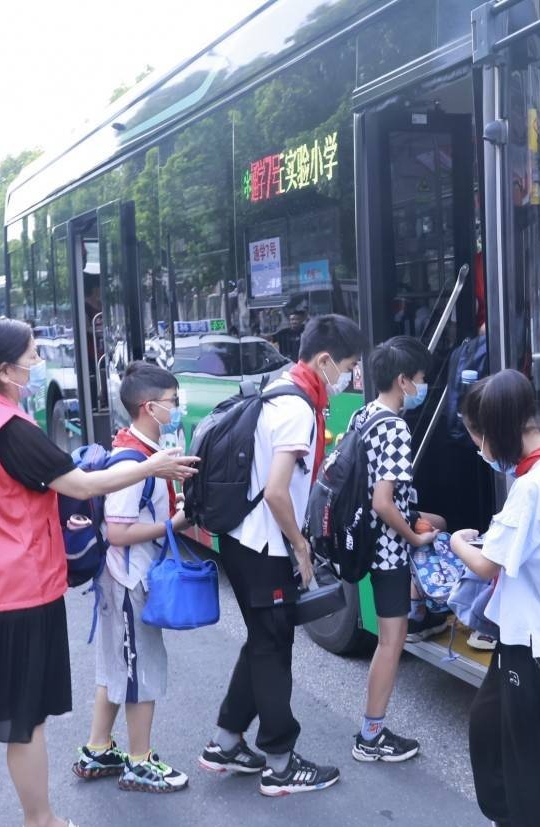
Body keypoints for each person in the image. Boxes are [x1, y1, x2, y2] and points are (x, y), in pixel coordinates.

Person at [0, 318, 198, 827]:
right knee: (25, 721)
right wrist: (151, 467)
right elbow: (82, 485)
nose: (38, 364)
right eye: (32, 356)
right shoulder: (7, 427)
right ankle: (42, 821)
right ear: (5, 370)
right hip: (22, 589)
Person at [199, 313, 365, 796]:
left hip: (244, 539)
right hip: (263, 545)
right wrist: (300, 545)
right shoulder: (296, 407)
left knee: (263, 641)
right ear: (325, 360)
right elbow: (276, 491)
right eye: (348, 368)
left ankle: (226, 742)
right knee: (273, 648)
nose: (349, 377)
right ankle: (280, 763)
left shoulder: (282, 387)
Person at [448, 369, 540, 827]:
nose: (480, 450)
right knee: (488, 726)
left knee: (535, 765)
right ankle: (507, 816)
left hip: (536, 642)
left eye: (478, 439)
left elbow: (486, 565)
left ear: (497, 431)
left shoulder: (533, 487)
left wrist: (455, 541)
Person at [73, 362, 193, 794]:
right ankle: (139, 763)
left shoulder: (139, 450)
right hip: (128, 579)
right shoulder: (134, 462)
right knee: (140, 671)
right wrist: (174, 525)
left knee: (115, 666)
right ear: (149, 407)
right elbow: (118, 532)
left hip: (120, 578)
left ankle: (98, 748)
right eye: (173, 402)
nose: (177, 409)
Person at [350, 336, 446, 763]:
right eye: (421, 378)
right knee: (391, 642)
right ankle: (371, 736)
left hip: (367, 538)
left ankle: (421, 606)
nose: (423, 386)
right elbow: (383, 501)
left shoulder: (364, 414)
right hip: (386, 547)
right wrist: (413, 536)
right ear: (404, 381)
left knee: (440, 522)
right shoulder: (395, 428)